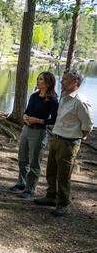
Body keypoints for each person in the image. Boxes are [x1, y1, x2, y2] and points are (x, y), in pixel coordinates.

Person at [34, 69, 94, 216]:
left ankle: (63, 203)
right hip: (56, 138)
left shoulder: (80, 101)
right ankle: (50, 197)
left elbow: (87, 126)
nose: (61, 82)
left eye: (65, 80)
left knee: (63, 175)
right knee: (51, 171)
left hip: (68, 143)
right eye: (63, 79)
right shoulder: (65, 97)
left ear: (76, 82)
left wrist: (77, 138)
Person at [9, 72, 59, 198]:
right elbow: (26, 111)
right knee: (22, 159)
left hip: (38, 133)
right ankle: (21, 183)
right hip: (26, 130)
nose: (38, 81)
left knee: (34, 162)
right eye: (38, 78)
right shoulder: (34, 96)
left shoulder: (52, 100)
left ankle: (30, 189)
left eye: (40, 79)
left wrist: (39, 120)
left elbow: (55, 119)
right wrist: (25, 117)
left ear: (48, 82)